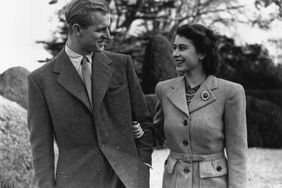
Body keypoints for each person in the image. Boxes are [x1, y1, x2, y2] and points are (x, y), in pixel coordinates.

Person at [27, 0, 153, 187]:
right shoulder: (40, 80)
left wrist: (142, 164)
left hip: (126, 181)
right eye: (101, 30)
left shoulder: (122, 65)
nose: (108, 35)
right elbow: (41, 148)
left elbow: (145, 122)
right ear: (77, 29)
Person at [154, 24, 247, 188]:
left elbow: (237, 154)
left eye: (182, 48)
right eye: (174, 48)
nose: (175, 54)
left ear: (202, 53)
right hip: (174, 182)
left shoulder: (231, 92)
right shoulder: (164, 89)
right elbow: (157, 135)